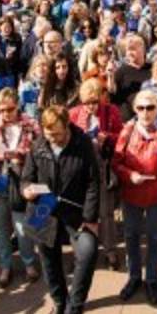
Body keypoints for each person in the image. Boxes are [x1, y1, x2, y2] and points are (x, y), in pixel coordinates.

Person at [20, 104, 101, 314]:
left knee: (87, 251)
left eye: (56, 134)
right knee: (49, 261)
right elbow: (26, 178)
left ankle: (75, 305)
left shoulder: (83, 143)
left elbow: (93, 182)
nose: (52, 139)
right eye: (48, 135)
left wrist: (90, 218)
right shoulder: (38, 145)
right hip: (44, 211)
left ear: (67, 126)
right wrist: (26, 190)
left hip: (76, 213)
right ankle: (59, 301)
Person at [112, 89, 157, 305]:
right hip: (131, 196)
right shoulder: (128, 130)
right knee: (131, 238)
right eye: (141, 108)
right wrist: (129, 175)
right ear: (135, 109)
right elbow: (116, 163)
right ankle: (134, 277)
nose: (145, 112)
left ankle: (151, 279)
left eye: (150, 107)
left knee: (155, 239)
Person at [0, 87, 42, 289]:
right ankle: (5, 266)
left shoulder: (30, 124)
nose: (5, 114)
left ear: (17, 106)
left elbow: (41, 152)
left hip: (20, 180)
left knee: (23, 227)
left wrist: (18, 155)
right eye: (1, 110)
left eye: (10, 109)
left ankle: (29, 262)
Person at [68, 78, 124, 270]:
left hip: (103, 166)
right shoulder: (73, 115)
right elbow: (66, 140)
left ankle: (110, 251)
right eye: (87, 103)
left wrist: (107, 138)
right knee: (81, 213)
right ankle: (83, 253)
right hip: (80, 169)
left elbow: (122, 137)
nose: (91, 107)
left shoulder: (111, 111)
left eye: (94, 102)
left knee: (106, 212)